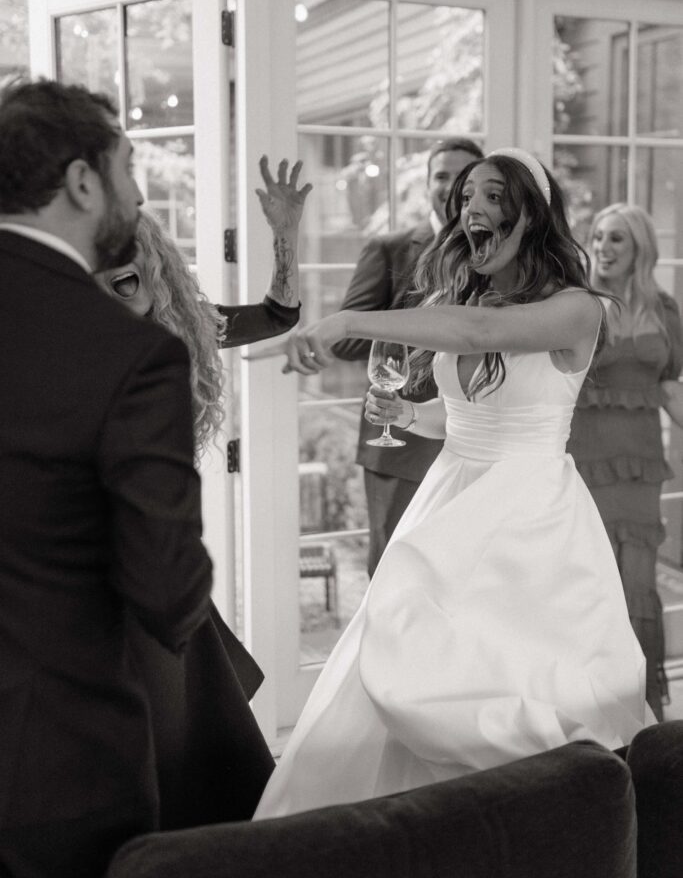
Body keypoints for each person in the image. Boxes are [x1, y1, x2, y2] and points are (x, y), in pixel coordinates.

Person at [253, 147, 651, 820]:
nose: (473, 210)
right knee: (404, 659)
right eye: (466, 199)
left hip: (529, 523)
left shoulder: (576, 309)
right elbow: (460, 413)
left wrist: (347, 320)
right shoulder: (465, 293)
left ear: (533, 212)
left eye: (494, 197)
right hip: (450, 495)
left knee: (512, 688)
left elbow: (478, 333)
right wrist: (408, 413)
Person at [0, 78, 212, 878]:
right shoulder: (129, 355)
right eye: (128, 165)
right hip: (52, 759)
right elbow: (166, 590)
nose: (138, 189)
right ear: (83, 182)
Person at [95, 157, 312, 829]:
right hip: (90, 548)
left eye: (125, 282)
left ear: (154, 276)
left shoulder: (185, 326)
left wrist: (284, 234)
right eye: (90, 283)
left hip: (150, 545)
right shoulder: (61, 340)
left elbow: (277, 314)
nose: (106, 299)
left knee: (180, 696)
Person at [333, 138, 483, 575]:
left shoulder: (499, 258)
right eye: (441, 175)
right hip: (399, 445)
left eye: (463, 177)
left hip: (474, 438)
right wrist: (419, 324)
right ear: (427, 186)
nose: (451, 186)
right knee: (395, 577)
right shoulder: (390, 249)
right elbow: (346, 340)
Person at [567, 202, 683, 721]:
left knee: (637, 586)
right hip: (582, 465)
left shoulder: (664, 310)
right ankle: (587, 712)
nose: (602, 248)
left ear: (640, 248)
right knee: (590, 588)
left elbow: (668, 388)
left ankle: (639, 713)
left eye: (616, 239)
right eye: (597, 237)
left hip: (639, 467)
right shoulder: (580, 307)